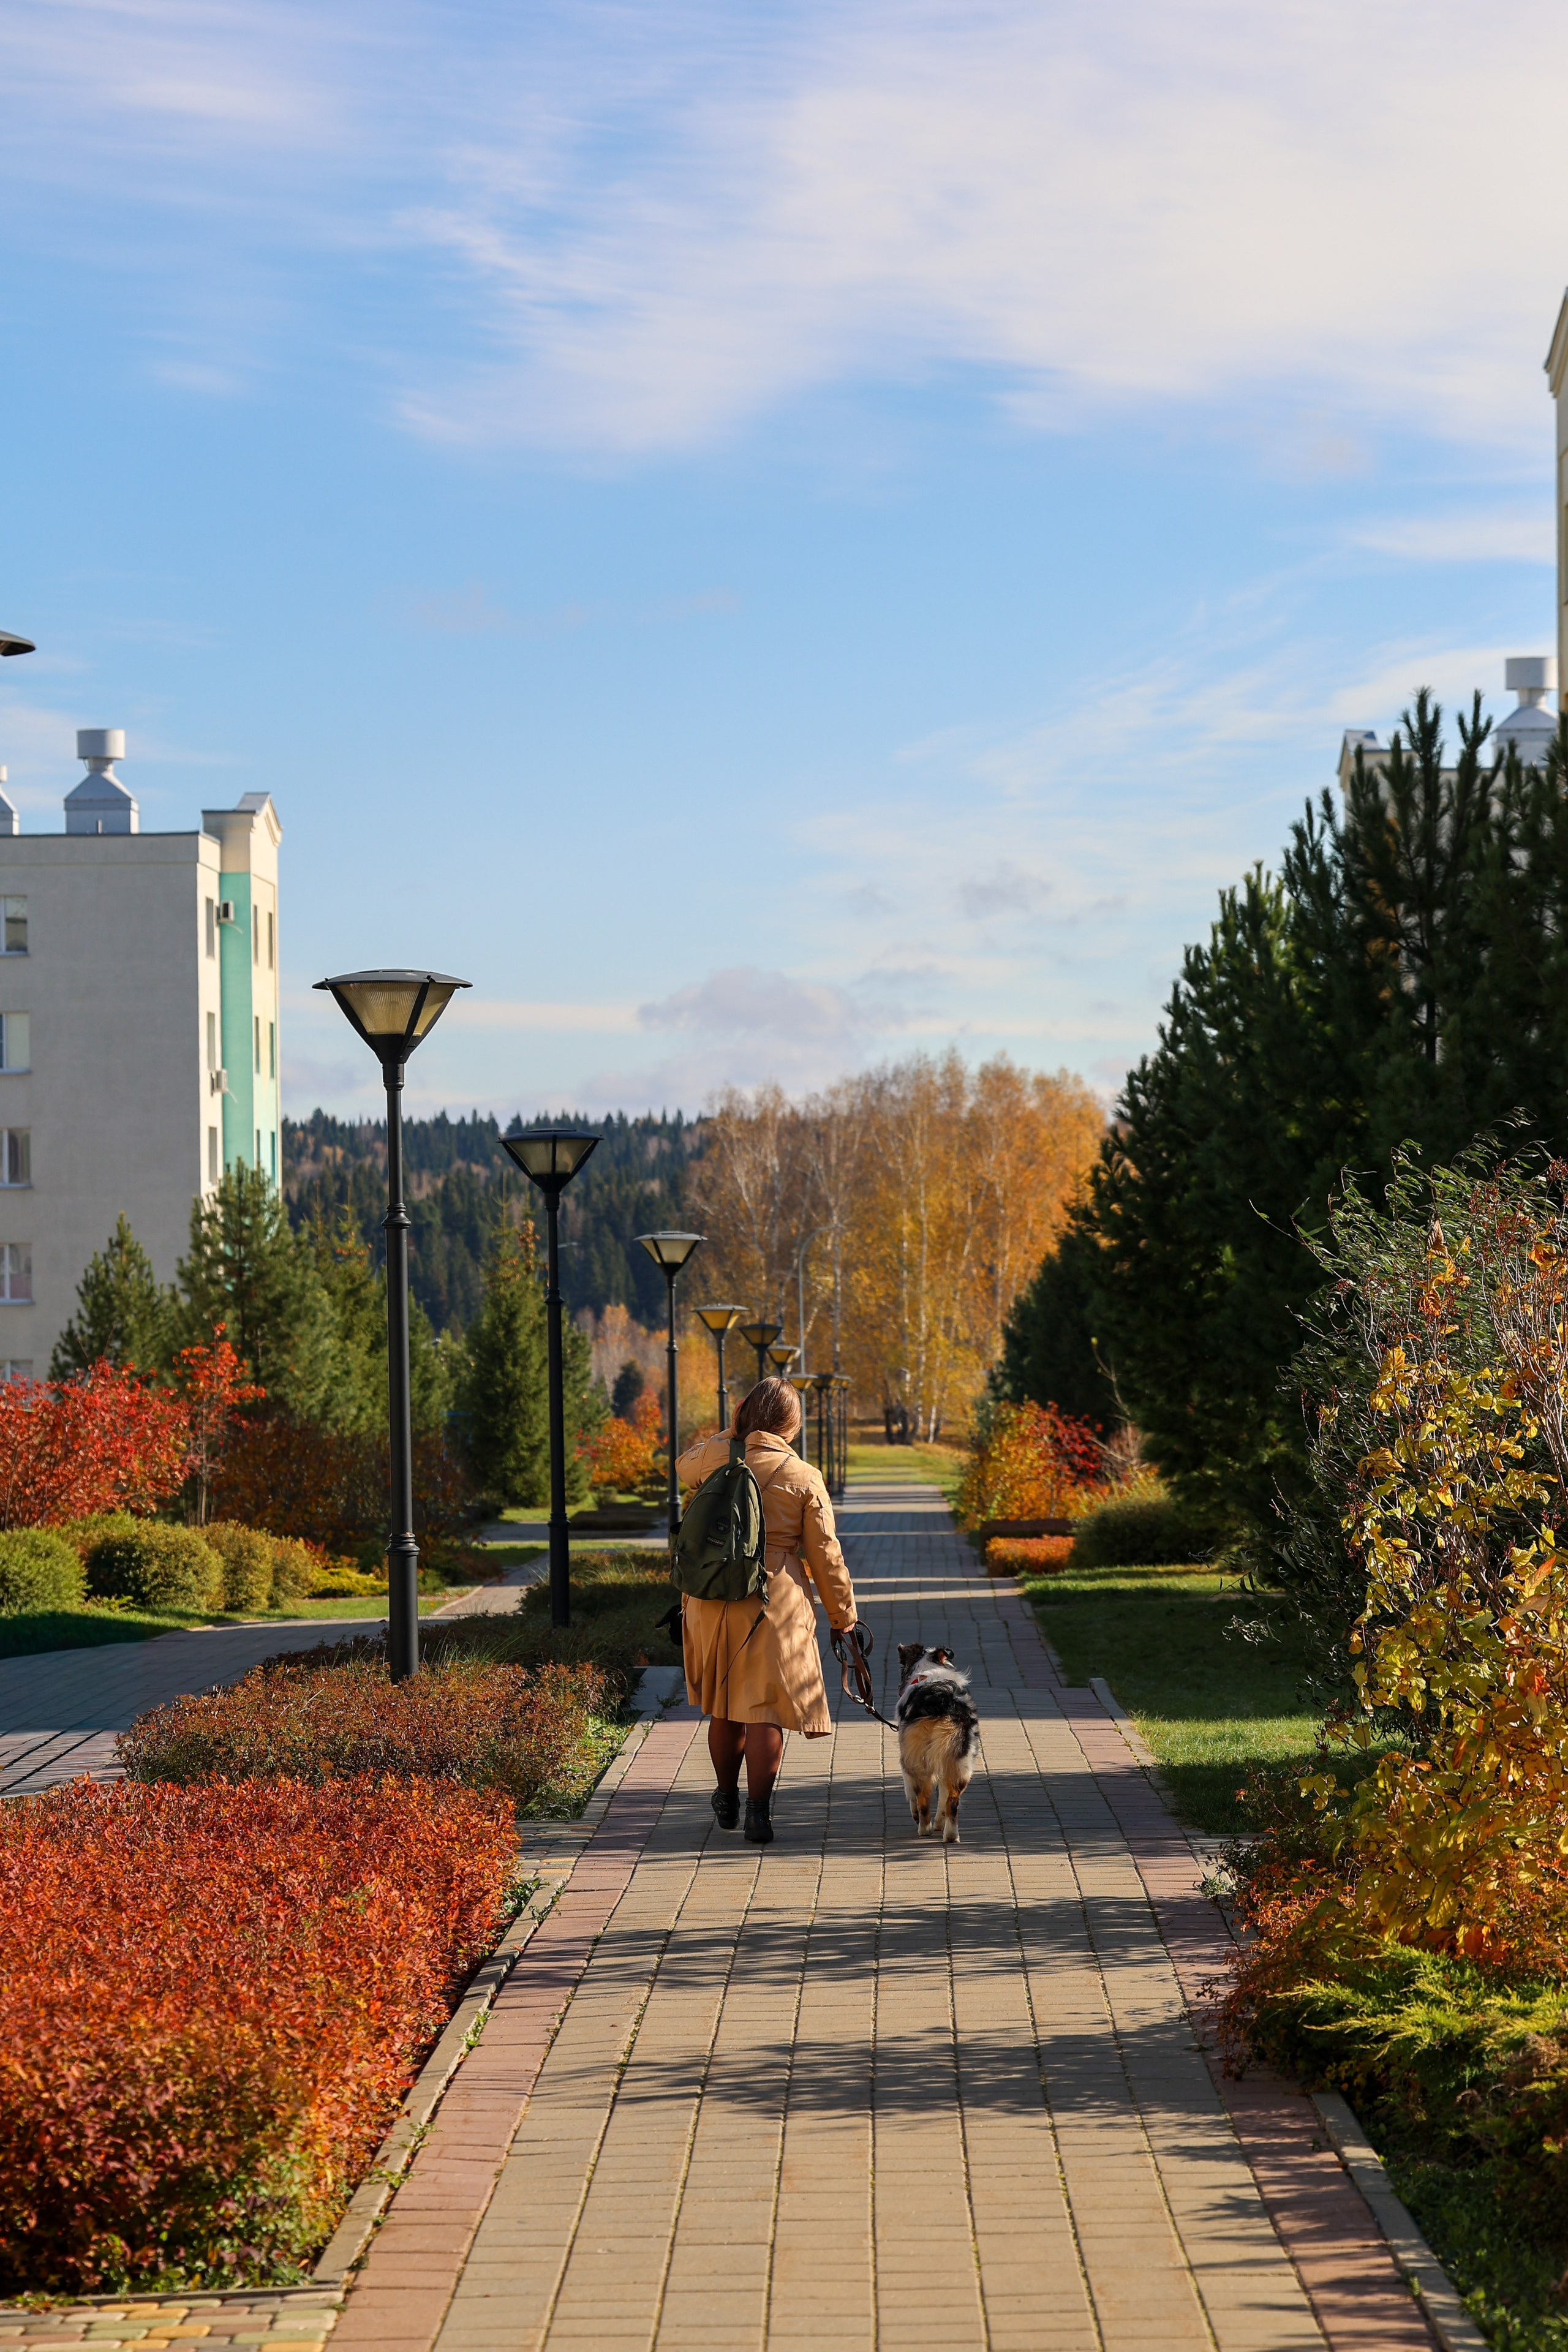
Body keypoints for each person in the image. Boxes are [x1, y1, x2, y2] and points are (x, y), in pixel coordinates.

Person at [675, 1375, 858, 1846]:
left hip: (711, 1596)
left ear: (744, 1412)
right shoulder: (803, 1476)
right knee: (765, 1710)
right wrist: (844, 1618)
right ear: (791, 1423)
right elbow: (825, 1554)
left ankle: (724, 1794)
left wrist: (730, 1433)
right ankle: (759, 1813)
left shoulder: (717, 1456)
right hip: (773, 1600)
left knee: (724, 1706)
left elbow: (682, 1466)